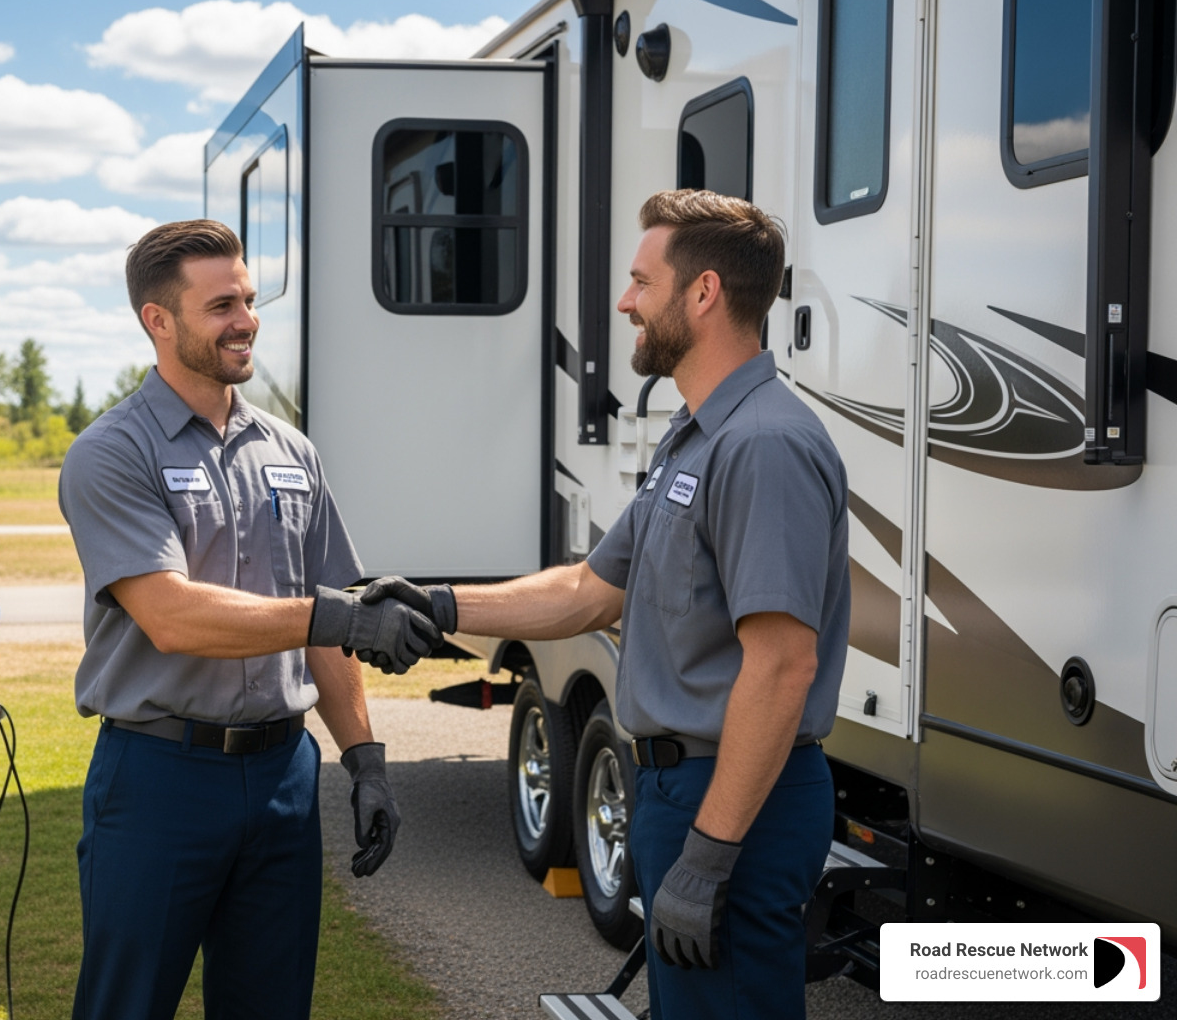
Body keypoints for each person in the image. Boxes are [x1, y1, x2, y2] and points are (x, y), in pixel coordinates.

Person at [362, 189, 850, 1019]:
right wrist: (441, 606)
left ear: (702, 294)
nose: (625, 301)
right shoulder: (696, 435)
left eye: (640, 282)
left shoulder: (763, 444)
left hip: (733, 804)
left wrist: (710, 854)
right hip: (681, 794)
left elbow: (782, 665)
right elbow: (590, 589)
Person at [59, 219, 441, 1020]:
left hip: (280, 780)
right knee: (126, 1007)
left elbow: (331, 623)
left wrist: (365, 761)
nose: (246, 320)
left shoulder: (292, 452)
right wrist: (336, 616)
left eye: (250, 298)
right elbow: (172, 615)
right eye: (220, 304)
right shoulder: (112, 452)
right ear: (157, 321)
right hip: (159, 778)